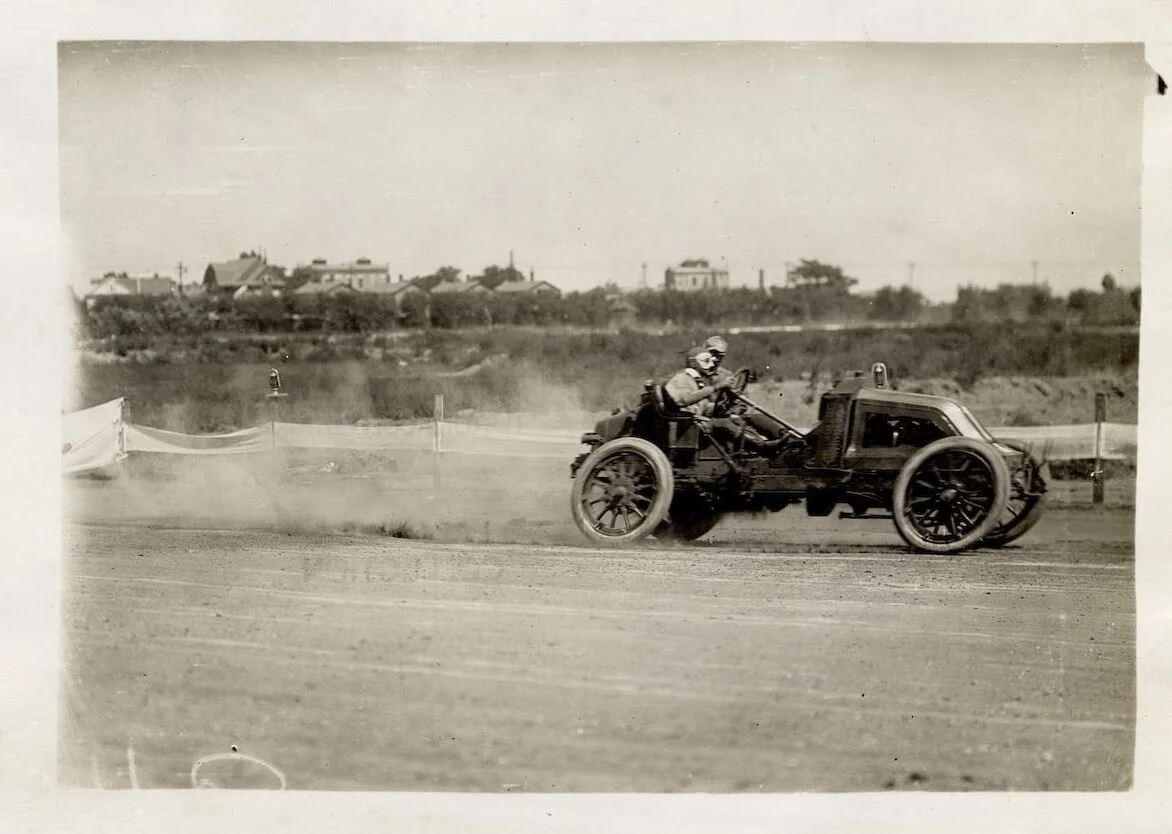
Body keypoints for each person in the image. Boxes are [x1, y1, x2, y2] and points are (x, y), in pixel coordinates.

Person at [663, 351, 784, 454]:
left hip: (697, 423)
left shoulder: (696, 381)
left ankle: (782, 437)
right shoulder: (680, 379)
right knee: (724, 423)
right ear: (694, 363)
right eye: (706, 361)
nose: (711, 364)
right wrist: (715, 388)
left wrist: (723, 406)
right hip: (686, 429)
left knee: (747, 418)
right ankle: (761, 446)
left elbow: (701, 406)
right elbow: (683, 400)